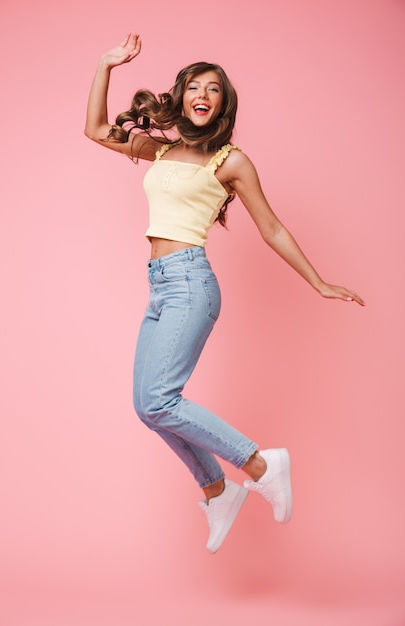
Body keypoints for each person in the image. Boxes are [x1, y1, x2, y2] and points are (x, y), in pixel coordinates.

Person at [85, 33, 365, 554]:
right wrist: (105, 65)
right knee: (147, 407)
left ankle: (259, 463)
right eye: (195, 85)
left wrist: (320, 283)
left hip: (192, 283)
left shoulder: (231, 161)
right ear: (182, 94)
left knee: (158, 399)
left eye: (214, 89)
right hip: (161, 287)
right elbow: (97, 130)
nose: (203, 93)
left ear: (221, 104)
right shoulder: (162, 149)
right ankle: (218, 492)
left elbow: (273, 228)